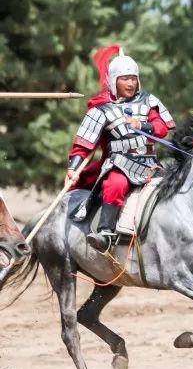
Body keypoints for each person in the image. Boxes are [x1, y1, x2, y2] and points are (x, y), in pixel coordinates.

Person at [66, 45, 175, 251]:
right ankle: (105, 233)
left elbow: (162, 128)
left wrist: (141, 124)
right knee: (115, 184)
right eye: (125, 78)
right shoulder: (101, 109)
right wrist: (73, 168)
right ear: (114, 81)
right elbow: (84, 143)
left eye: (133, 78)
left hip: (151, 164)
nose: (131, 83)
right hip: (120, 164)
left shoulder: (149, 101)